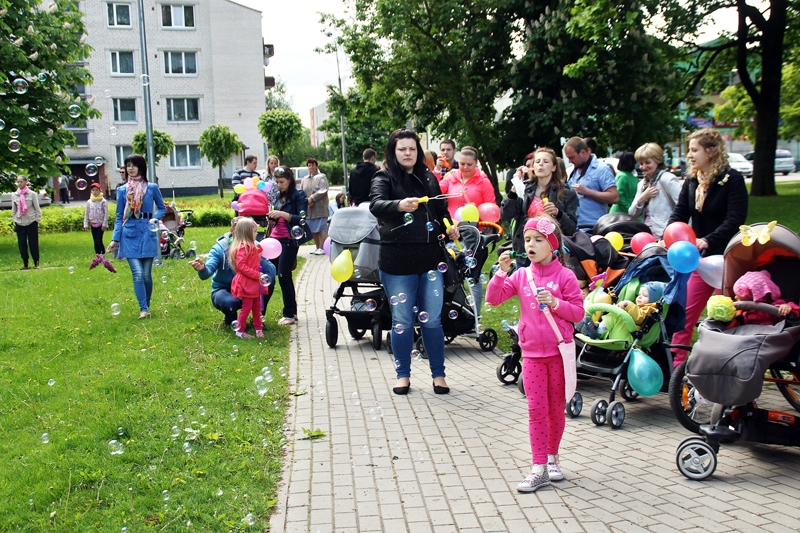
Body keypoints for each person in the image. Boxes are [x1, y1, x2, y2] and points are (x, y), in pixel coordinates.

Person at [485, 214, 584, 492]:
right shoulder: (521, 275)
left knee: (555, 409)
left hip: (558, 354)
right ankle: (538, 467)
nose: (530, 244)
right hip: (531, 356)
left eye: (538, 240)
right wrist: (501, 273)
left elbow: (578, 313)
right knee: (536, 410)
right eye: (527, 239)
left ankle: (552, 458)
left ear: (552, 244)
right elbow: (493, 298)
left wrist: (555, 302)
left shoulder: (565, 276)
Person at [370, 128, 460, 395]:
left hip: (430, 259)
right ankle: (403, 376)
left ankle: (439, 375)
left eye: (412, 148)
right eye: (402, 149)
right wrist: (399, 205)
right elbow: (376, 205)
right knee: (403, 320)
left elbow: (441, 211)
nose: (407, 153)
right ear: (393, 151)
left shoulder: (428, 176)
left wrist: (450, 227)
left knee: (432, 320)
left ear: (418, 151)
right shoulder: (383, 177)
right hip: (396, 262)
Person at [667, 128, 748, 367]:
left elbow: (735, 219)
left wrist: (708, 239)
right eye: (689, 150)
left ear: (711, 151)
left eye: (694, 150)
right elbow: (680, 213)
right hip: (699, 260)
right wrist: (668, 235)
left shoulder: (732, 180)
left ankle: (731, 366)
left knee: (728, 317)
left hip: (728, 260)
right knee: (684, 315)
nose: (689, 155)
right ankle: (676, 369)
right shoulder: (692, 181)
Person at [106, 154, 166, 319]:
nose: (130, 168)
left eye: (133, 165)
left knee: (146, 274)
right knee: (138, 273)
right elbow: (119, 216)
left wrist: (154, 219)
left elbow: (162, 208)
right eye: (128, 165)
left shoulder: (152, 187)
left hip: (148, 231)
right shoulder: (122, 190)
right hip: (129, 232)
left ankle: (147, 305)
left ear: (141, 167)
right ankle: (143, 308)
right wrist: (115, 239)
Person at [189, 217, 277, 327]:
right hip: (224, 289)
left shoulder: (255, 246)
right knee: (230, 303)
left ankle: (258, 317)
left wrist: (259, 259)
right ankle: (231, 319)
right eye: (239, 230)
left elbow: (271, 272)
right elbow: (206, 274)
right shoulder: (219, 249)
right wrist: (202, 269)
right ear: (232, 231)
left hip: (249, 287)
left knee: (268, 280)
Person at [501, 148, 579, 268]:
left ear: (554, 167)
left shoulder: (566, 192)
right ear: (533, 167)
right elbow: (505, 215)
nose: (541, 164)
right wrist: (514, 190)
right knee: (525, 280)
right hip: (526, 250)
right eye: (537, 161)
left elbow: (571, 228)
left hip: (553, 253)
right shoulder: (525, 188)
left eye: (546, 161)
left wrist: (558, 213)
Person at [266, 166, 309, 326]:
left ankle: (289, 314)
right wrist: (272, 219)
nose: (279, 185)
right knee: (273, 274)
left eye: (282, 182)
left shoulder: (299, 195)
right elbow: (278, 218)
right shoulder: (279, 196)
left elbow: (302, 219)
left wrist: (282, 214)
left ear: (290, 180)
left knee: (284, 275)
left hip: (289, 240)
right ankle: (292, 311)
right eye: (277, 182)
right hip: (274, 240)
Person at [563, 137, 619, 229]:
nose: (569, 161)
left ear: (582, 152)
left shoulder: (602, 169)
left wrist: (587, 192)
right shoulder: (573, 170)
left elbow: (614, 197)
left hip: (594, 228)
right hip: (575, 227)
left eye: (571, 157)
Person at [628, 143, 681, 238]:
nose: (644, 167)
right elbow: (631, 214)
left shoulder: (668, 179)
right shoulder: (642, 184)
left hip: (669, 235)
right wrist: (642, 198)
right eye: (641, 163)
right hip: (648, 235)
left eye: (648, 162)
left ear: (658, 161)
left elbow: (683, 208)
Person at [228, 217, 265, 338]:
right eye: (254, 232)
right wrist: (257, 275)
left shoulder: (251, 246)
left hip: (253, 283)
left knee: (257, 307)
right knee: (246, 308)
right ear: (247, 233)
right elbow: (241, 266)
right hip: (246, 283)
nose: (256, 234)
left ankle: (258, 329)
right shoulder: (243, 247)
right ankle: (239, 331)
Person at [437, 146, 496, 219]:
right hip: (453, 224)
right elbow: (434, 190)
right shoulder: (451, 177)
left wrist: (476, 210)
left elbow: (491, 210)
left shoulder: (484, 182)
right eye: (462, 164)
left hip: (475, 225)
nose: (465, 167)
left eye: (469, 164)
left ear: (476, 163)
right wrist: (437, 171)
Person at [12, 175, 42, 270]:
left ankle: (36, 262)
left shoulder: (32, 194)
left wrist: (37, 219)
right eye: (18, 182)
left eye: (21, 181)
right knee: (22, 244)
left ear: (26, 182)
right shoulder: (14, 195)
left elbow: (37, 209)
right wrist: (15, 220)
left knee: (33, 243)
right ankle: (25, 263)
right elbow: (14, 210)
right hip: (20, 222)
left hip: (31, 221)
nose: (19, 183)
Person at [300, 158, 329, 255]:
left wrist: (311, 199)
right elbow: (301, 192)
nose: (311, 167)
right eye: (309, 165)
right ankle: (317, 247)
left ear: (316, 166)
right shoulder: (304, 179)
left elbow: (323, 190)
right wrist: (305, 201)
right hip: (309, 208)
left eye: (313, 165)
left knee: (322, 227)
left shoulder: (322, 177)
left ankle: (322, 247)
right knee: (312, 228)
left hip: (320, 207)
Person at [84, 183, 109, 255]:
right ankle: (97, 256)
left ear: (100, 191)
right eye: (93, 190)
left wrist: (104, 224)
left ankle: (102, 255)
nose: (95, 192)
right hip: (93, 223)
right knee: (95, 241)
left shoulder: (103, 201)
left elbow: (106, 213)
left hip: (100, 224)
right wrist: (85, 224)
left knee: (99, 240)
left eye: (96, 190)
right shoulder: (89, 202)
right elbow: (87, 213)